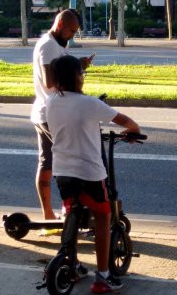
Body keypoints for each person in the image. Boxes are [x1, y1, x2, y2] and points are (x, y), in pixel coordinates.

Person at [46, 55, 141, 293]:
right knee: (102, 217)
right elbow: (127, 121)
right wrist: (133, 131)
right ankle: (103, 276)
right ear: (78, 76)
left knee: (73, 214)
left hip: (62, 171)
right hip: (89, 172)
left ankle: (73, 264)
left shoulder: (50, 102)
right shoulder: (89, 103)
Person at [30, 9, 92, 220]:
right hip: (50, 114)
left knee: (51, 161)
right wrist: (75, 68)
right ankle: (54, 213)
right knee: (58, 162)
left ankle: (59, 212)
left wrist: (77, 65)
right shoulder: (48, 46)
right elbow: (50, 82)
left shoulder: (55, 45)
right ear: (60, 26)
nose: (72, 35)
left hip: (52, 112)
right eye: (71, 31)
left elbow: (60, 71)